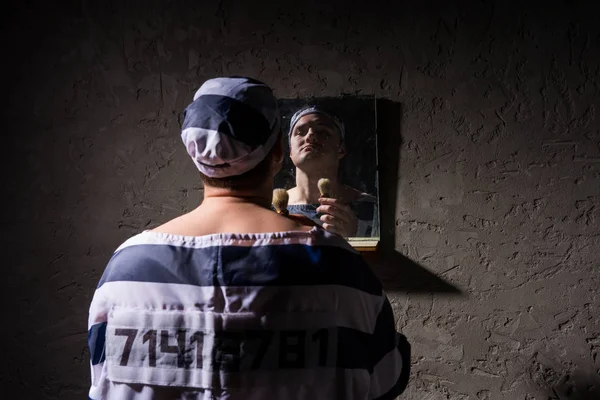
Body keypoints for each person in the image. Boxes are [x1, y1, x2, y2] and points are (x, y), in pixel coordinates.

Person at [87, 77, 409, 399]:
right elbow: (384, 376)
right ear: (279, 151)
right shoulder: (340, 265)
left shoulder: (126, 268)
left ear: (195, 154)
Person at [285, 106, 379, 238]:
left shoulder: (370, 208)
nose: (310, 135)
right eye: (301, 131)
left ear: (341, 149)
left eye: (323, 132)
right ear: (290, 150)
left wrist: (354, 237)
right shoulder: (270, 208)